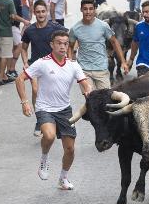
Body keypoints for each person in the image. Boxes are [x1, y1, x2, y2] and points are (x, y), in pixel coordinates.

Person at [15, 30, 92, 189]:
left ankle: (63, 178)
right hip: (45, 108)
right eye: (59, 43)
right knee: (49, 136)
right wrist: (25, 102)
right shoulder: (42, 63)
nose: (63, 47)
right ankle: (44, 159)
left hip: (65, 110)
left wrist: (88, 93)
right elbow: (20, 79)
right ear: (52, 44)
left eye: (65, 43)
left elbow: (84, 83)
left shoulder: (73, 65)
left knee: (70, 149)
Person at [21, 0, 67, 137]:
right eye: (38, 12)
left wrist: (66, 57)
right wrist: (25, 62)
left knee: (53, 92)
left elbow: (67, 39)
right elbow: (23, 48)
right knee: (36, 90)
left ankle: (55, 118)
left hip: (52, 66)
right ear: (34, 13)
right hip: (36, 66)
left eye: (43, 11)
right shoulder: (30, 30)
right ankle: (40, 119)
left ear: (46, 12)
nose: (41, 14)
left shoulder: (55, 27)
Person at [69, 0, 128, 90]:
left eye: (91, 9)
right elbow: (70, 46)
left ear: (95, 10)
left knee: (105, 99)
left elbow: (114, 42)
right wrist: (70, 63)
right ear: (81, 9)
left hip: (102, 70)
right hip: (84, 71)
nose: (88, 12)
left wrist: (123, 62)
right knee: (90, 99)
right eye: (85, 9)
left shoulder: (103, 26)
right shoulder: (75, 28)